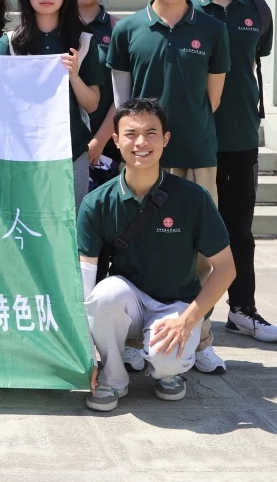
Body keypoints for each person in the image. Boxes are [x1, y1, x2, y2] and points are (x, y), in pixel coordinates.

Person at [105, 0, 231, 374]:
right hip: (142, 158)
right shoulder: (128, 30)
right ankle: (135, 340)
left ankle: (201, 338)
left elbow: (212, 98)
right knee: (138, 246)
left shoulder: (212, 30)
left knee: (202, 254)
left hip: (196, 155)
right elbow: (122, 102)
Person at [80, 98, 236, 412]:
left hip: (176, 305)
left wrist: (188, 321)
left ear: (165, 139)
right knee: (103, 296)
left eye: (151, 133)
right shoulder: (96, 202)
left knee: (167, 361)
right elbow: (85, 279)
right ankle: (113, 377)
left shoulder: (192, 198)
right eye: (131, 134)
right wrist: (83, 359)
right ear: (116, 140)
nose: (141, 142)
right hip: (128, 301)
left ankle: (167, 372)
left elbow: (225, 268)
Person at [192, 0, 277, 343]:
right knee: (190, 228)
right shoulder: (186, 8)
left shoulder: (258, 11)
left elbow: (256, 58)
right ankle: (189, 310)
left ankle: (243, 309)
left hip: (240, 135)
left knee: (239, 229)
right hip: (193, 137)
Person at [0, 0, 103, 207]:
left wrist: (74, 77)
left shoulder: (84, 42)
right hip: (22, 154)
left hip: (71, 152)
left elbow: (92, 104)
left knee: (70, 222)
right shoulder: (9, 43)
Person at [68, 0, 119, 185]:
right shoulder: (53, 28)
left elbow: (123, 93)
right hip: (62, 145)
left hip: (107, 147)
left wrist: (99, 141)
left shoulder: (118, 29)